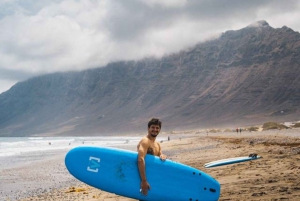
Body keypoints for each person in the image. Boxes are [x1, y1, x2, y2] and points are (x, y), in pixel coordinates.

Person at [137, 118, 167, 197]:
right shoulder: (145, 141)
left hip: (153, 179)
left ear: (159, 130)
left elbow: (160, 154)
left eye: (157, 128)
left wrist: (162, 155)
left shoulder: (157, 144)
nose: (155, 129)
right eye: (153, 127)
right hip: (144, 179)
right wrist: (143, 181)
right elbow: (140, 160)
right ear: (148, 128)